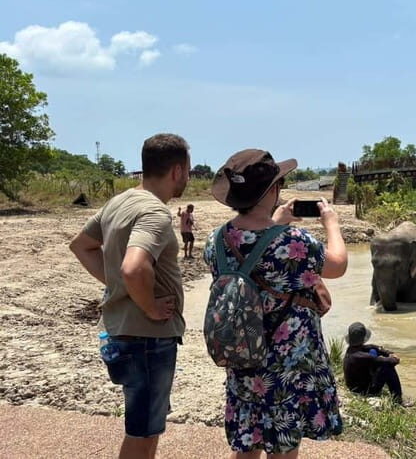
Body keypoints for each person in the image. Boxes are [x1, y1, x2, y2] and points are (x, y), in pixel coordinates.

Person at [203, 149, 348, 459]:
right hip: (287, 366)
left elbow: (251, 259)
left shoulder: (216, 240)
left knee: (249, 441)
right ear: (272, 191)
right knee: (283, 449)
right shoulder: (294, 241)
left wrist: (274, 223)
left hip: (243, 357)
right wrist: (332, 224)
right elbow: (337, 265)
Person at [69, 133, 190, 459]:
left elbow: (81, 246)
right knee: (142, 434)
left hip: (122, 331)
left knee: (145, 428)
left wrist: (120, 287)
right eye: (188, 172)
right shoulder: (155, 213)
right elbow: (134, 268)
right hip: (147, 338)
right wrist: (149, 307)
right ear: (177, 170)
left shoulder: (119, 202)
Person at [342, 322, 413, 407]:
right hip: (363, 391)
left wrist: (388, 353)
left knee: (373, 350)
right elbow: (392, 361)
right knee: (387, 367)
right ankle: (397, 400)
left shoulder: (351, 350)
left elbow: (371, 346)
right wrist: (394, 357)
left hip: (355, 385)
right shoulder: (363, 357)